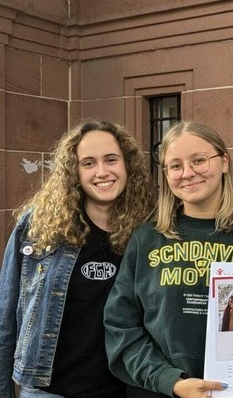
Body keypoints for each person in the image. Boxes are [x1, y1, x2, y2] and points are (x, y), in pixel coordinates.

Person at [104, 121, 233, 398]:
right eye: (175, 166)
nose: (187, 173)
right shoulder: (146, 240)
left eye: (199, 160)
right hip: (158, 392)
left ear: (224, 162)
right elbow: (120, 325)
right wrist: (170, 381)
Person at [0, 119, 155, 398]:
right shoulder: (40, 226)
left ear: (128, 164)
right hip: (48, 391)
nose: (102, 172)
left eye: (111, 159)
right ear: (74, 171)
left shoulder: (150, 229)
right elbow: (6, 315)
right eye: (88, 163)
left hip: (125, 389)